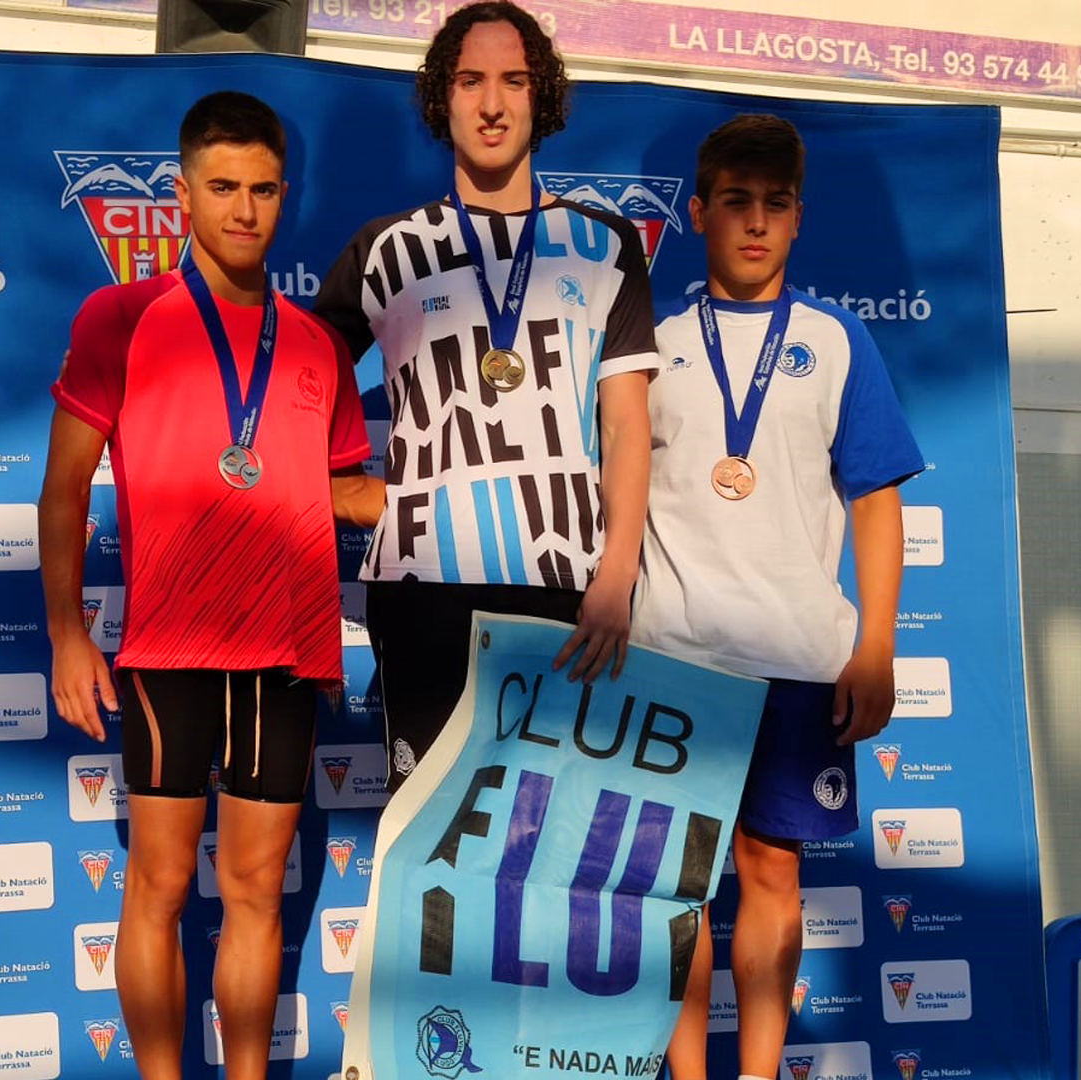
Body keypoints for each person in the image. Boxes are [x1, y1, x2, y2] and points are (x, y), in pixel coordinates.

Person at [37, 90, 379, 1080]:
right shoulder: (124, 317)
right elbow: (62, 490)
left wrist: (454, 500)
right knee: (154, 885)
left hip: (284, 655)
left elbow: (345, 489)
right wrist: (66, 633)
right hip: (167, 653)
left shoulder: (316, 344)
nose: (244, 210)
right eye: (223, 188)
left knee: (257, 890)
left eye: (265, 190)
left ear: (287, 195)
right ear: (181, 195)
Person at [638, 114, 925, 1080]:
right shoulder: (653, 340)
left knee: (771, 873)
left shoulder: (838, 340)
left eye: (775, 204)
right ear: (698, 211)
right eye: (736, 202)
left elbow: (877, 506)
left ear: (799, 217)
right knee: (674, 894)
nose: (755, 223)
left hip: (800, 660)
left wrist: (875, 649)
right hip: (672, 658)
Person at [314, 0, 656, 789]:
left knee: (545, 844)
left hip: (566, 586)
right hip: (423, 585)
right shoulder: (385, 249)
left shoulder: (606, 246)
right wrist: (353, 495)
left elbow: (627, 424)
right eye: (470, 81)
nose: (493, 104)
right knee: (428, 842)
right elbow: (299, 392)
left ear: (544, 98)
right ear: (443, 98)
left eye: (514, 81)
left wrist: (617, 578)